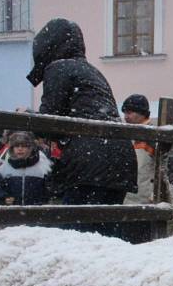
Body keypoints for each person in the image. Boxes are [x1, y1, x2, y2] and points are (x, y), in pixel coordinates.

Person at [26, 18, 137, 236]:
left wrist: (29, 118)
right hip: (119, 159)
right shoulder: (90, 70)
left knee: (76, 236)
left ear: (47, 47)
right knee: (107, 238)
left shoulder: (58, 68)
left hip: (90, 161)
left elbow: (49, 121)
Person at [0, 131, 52, 206]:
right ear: (12, 148)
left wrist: (42, 202)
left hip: (36, 212)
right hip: (10, 213)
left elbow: (49, 189)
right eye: (16, 146)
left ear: (30, 148)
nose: (20, 149)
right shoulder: (3, 166)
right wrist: (4, 198)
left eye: (24, 146)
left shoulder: (43, 165)